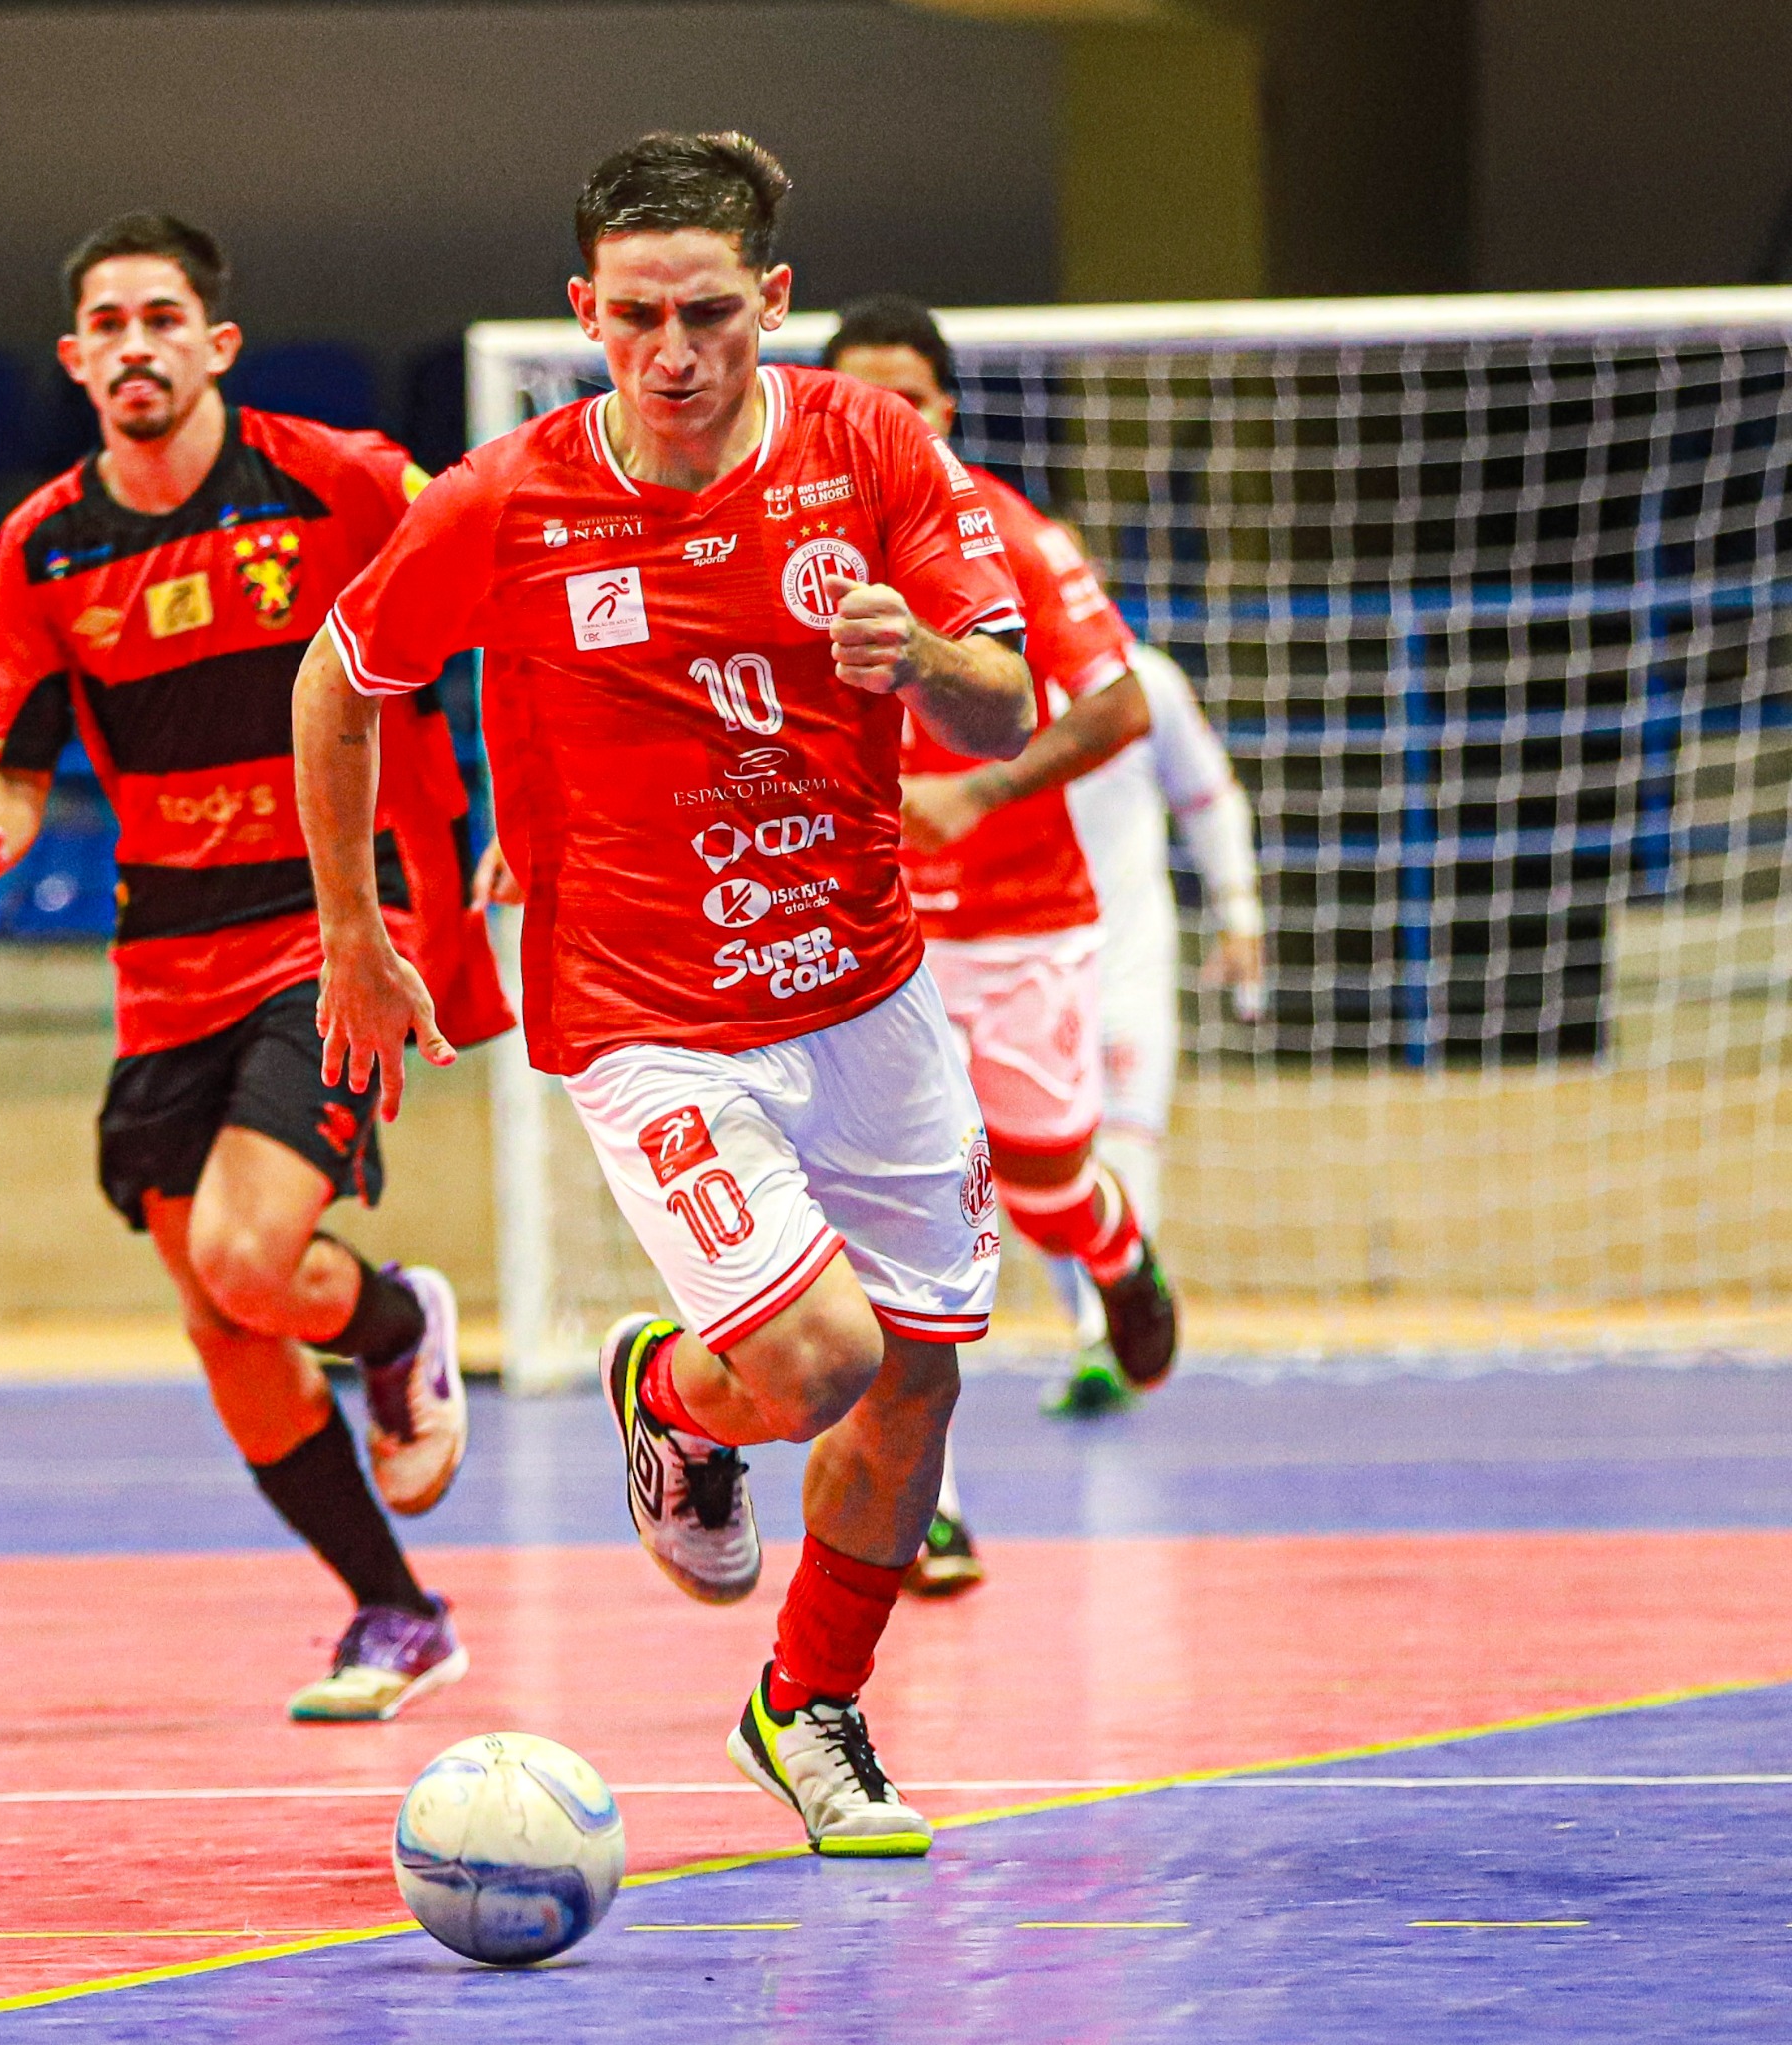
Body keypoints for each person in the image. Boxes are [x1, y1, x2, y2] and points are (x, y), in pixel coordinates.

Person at [299, 132, 1034, 1856]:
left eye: (711, 312)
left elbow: (1005, 703)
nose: (677, 353)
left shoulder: (875, 449)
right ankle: (679, 1394)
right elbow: (336, 689)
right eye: (636, 317)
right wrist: (355, 926)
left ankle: (809, 1709)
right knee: (823, 1353)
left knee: (923, 1376)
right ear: (586, 313)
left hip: (865, 988)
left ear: (775, 303)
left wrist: (915, 656)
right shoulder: (506, 497)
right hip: (645, 1012)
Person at [0, 213, 512, 1723]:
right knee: (220, 1317)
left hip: (332, 922)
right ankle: (396, 1612)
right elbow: (13, 758)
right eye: (106, 323)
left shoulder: (336, 478)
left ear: (215, 345)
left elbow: (507, 596)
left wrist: (536, 803)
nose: (135, 344)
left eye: (162, 317)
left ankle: (395, 1327)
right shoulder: (43, 544)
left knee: (251, 1260)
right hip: (163, 953)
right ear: (75, 359)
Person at [824, 297, 1181, 1597]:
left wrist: (979, 792)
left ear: (945, 412)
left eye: (908, 399)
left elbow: (1123, 705)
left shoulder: (1005, 533)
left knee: (1036, 1175)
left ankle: (1109, 1243)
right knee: (894, 1212)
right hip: (862, 931)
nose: (886, 422)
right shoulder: (781, 541)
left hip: (1024, 917)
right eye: (861, 397)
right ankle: (930, 1506)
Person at [1043, 641, 1263, 1415]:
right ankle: (1088, 1330)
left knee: (1127, 1146)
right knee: (1047, 1170)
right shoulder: (980, 687)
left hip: (1130, 959)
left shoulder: (1147, 683)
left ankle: (1106, 1336)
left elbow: (1211, 795)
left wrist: (1239, 913)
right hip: (1028, 970)